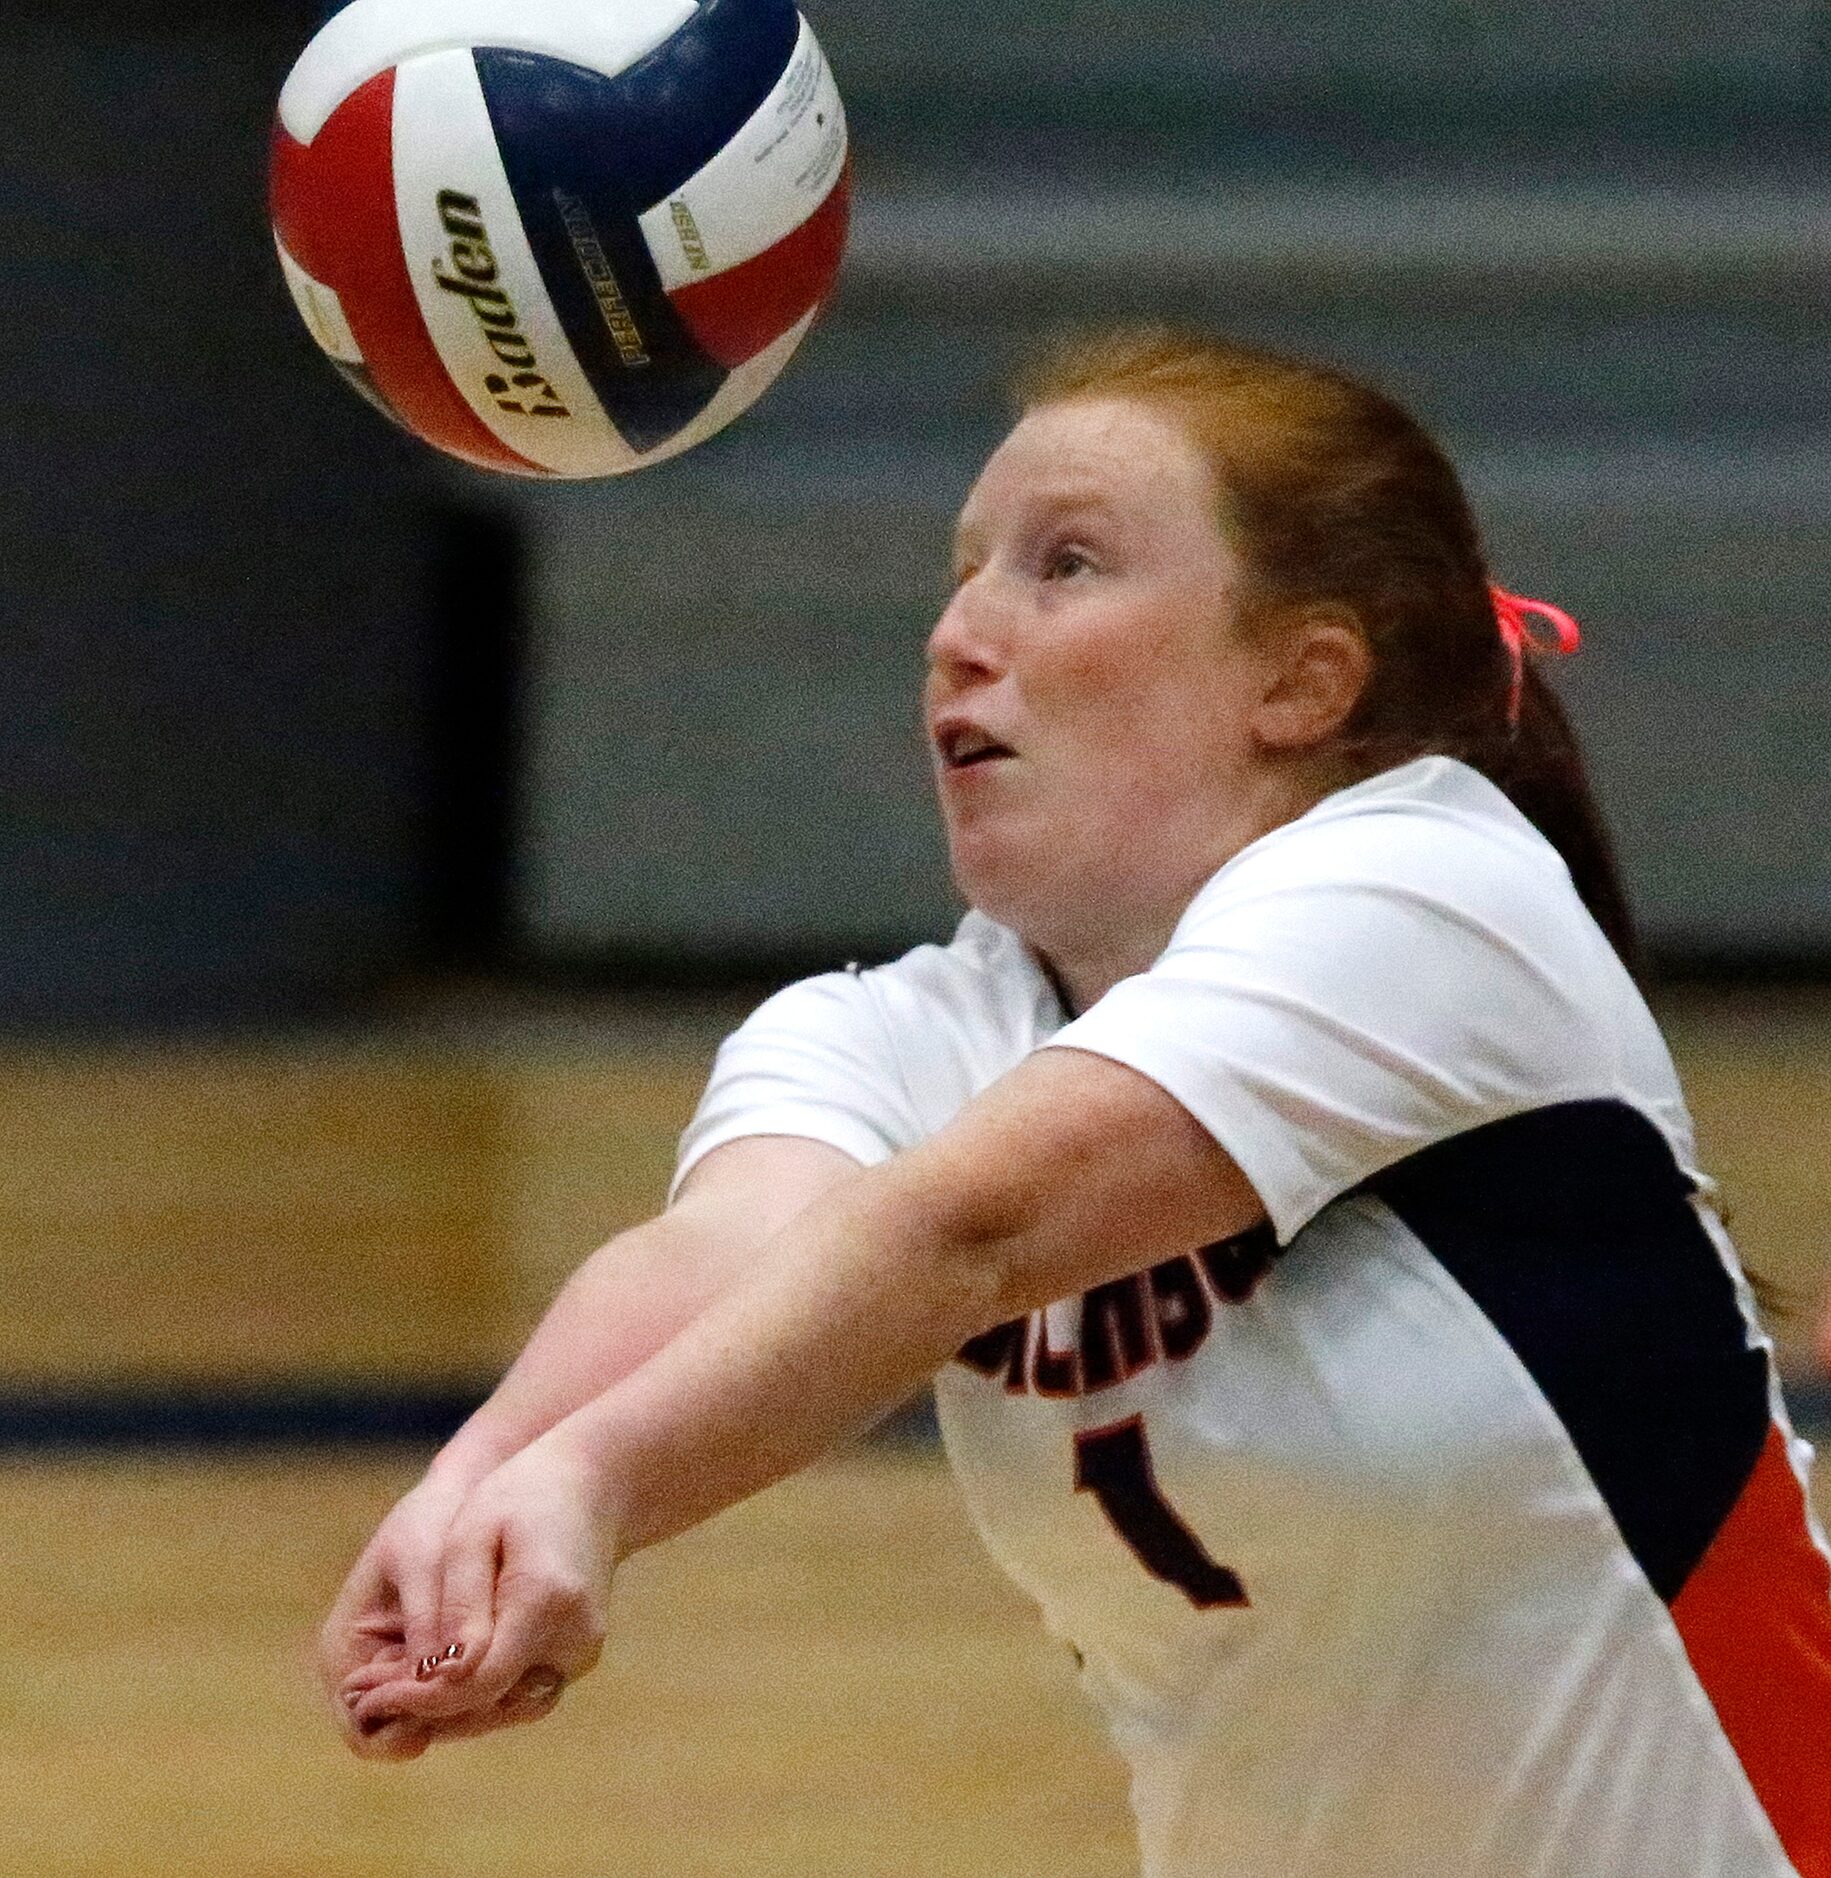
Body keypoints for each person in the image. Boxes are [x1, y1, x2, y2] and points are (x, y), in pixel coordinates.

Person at [320, 329, 1831, 1876]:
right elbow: (720, 1260)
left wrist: (598, 1480)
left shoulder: (1434, 889)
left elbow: (971, 1227)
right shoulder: (892, 1031)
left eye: (1067, 565)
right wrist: (479, 1497)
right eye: (965, 568)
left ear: (1300, 678)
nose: (962, 630)